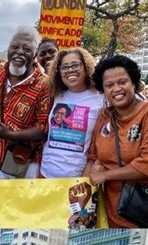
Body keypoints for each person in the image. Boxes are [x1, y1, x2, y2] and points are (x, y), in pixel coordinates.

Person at [86, 55, 148, 227]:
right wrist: (84, 192)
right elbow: (93, 157)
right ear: (103, 90)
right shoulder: (104, 116)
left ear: (134, 83)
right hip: (112, 211)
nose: (116, 89)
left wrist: (105, 175)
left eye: (122, 82)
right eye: (109, 85)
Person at [0, 26, 51, 179]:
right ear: (8, 50)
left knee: (23, 203)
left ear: (35, 55)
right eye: (15, 47)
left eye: (26, 49)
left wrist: (9, 134)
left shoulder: (45, 84)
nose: (19, 51)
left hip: (26, 160)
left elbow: (42, 128)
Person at [41, 47, 103, 178]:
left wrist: (85, 179)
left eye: (75, 65)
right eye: (64, 67)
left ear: (86, 67)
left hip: (76, 178)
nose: (70, 70)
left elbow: (98, 147)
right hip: (45, 173)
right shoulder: (55, 95)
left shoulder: (101, 100)